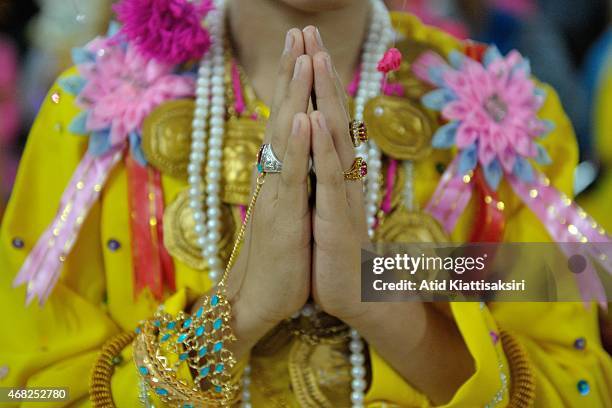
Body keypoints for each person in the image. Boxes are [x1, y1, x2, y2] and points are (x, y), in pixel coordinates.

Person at [0, 0, 610, 406]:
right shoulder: (90, 114)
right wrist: (237, 314)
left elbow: (577, 385)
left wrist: (382, 288)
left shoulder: (513, 114)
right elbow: (31, 393)